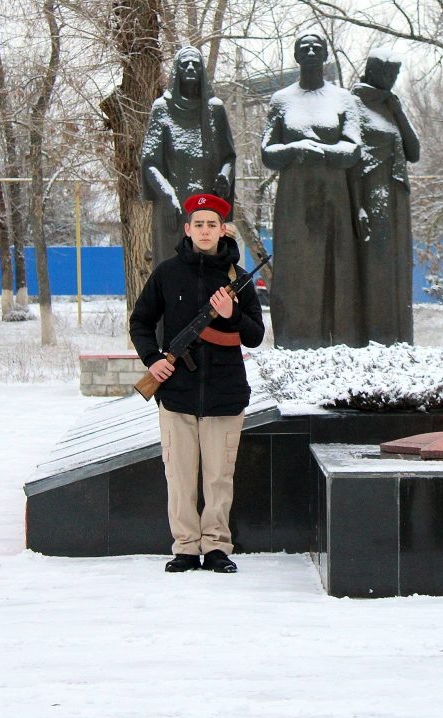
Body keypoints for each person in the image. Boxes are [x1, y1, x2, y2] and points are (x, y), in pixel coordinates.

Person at [129, 194, 265, 573]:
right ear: (188, 230)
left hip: (225, 392)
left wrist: (231, 313)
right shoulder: (167, 273)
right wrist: (153, 360)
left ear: (223, 230)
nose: (205, 231)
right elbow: (140, 321)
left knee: (219, 476)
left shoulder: (237, 279)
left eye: (212, 224)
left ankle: (217, 547)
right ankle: (186, 547)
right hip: (176, 394)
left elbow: (255, 335)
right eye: (199, 224)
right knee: (181, 475)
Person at [261, 32, 364, 349]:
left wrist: (320, 152)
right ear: (296, 55)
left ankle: (339, 342)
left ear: (324, 56)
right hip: (294, 201)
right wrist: (294, 149)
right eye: (303, 47)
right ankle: (295, 339)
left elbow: (354, 149)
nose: (309, 51)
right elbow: (267, 151)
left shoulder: (343, 99)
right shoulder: (281, 100)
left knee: (336, 268)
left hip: (333, 198)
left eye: (316, 47)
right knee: (296, 271)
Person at [141, 46, 236, 269]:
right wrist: (166, 195)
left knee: (210, 272)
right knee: (172, 272)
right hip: (173, 209)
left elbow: (229, 157)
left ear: (202, 71)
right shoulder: (162, 109)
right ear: (177, 71)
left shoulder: (215, 111)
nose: (191, 68)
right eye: (185, 64)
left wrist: (224, 175)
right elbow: (150, 163)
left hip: (207, 206)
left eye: (196, 64)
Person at [351, 49, 421, 345]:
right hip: (370, 196)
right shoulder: (354, 104)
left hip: (395, 198)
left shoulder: (391, 106)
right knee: (376, 268)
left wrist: (399, 110)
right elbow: (351, 160)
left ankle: (400, 338)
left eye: (395, 75)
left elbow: (414, 151)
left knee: (397, 265)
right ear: (373, 72)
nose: (391, 80)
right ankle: (374, 337)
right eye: (387, 74)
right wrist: (356, 207)